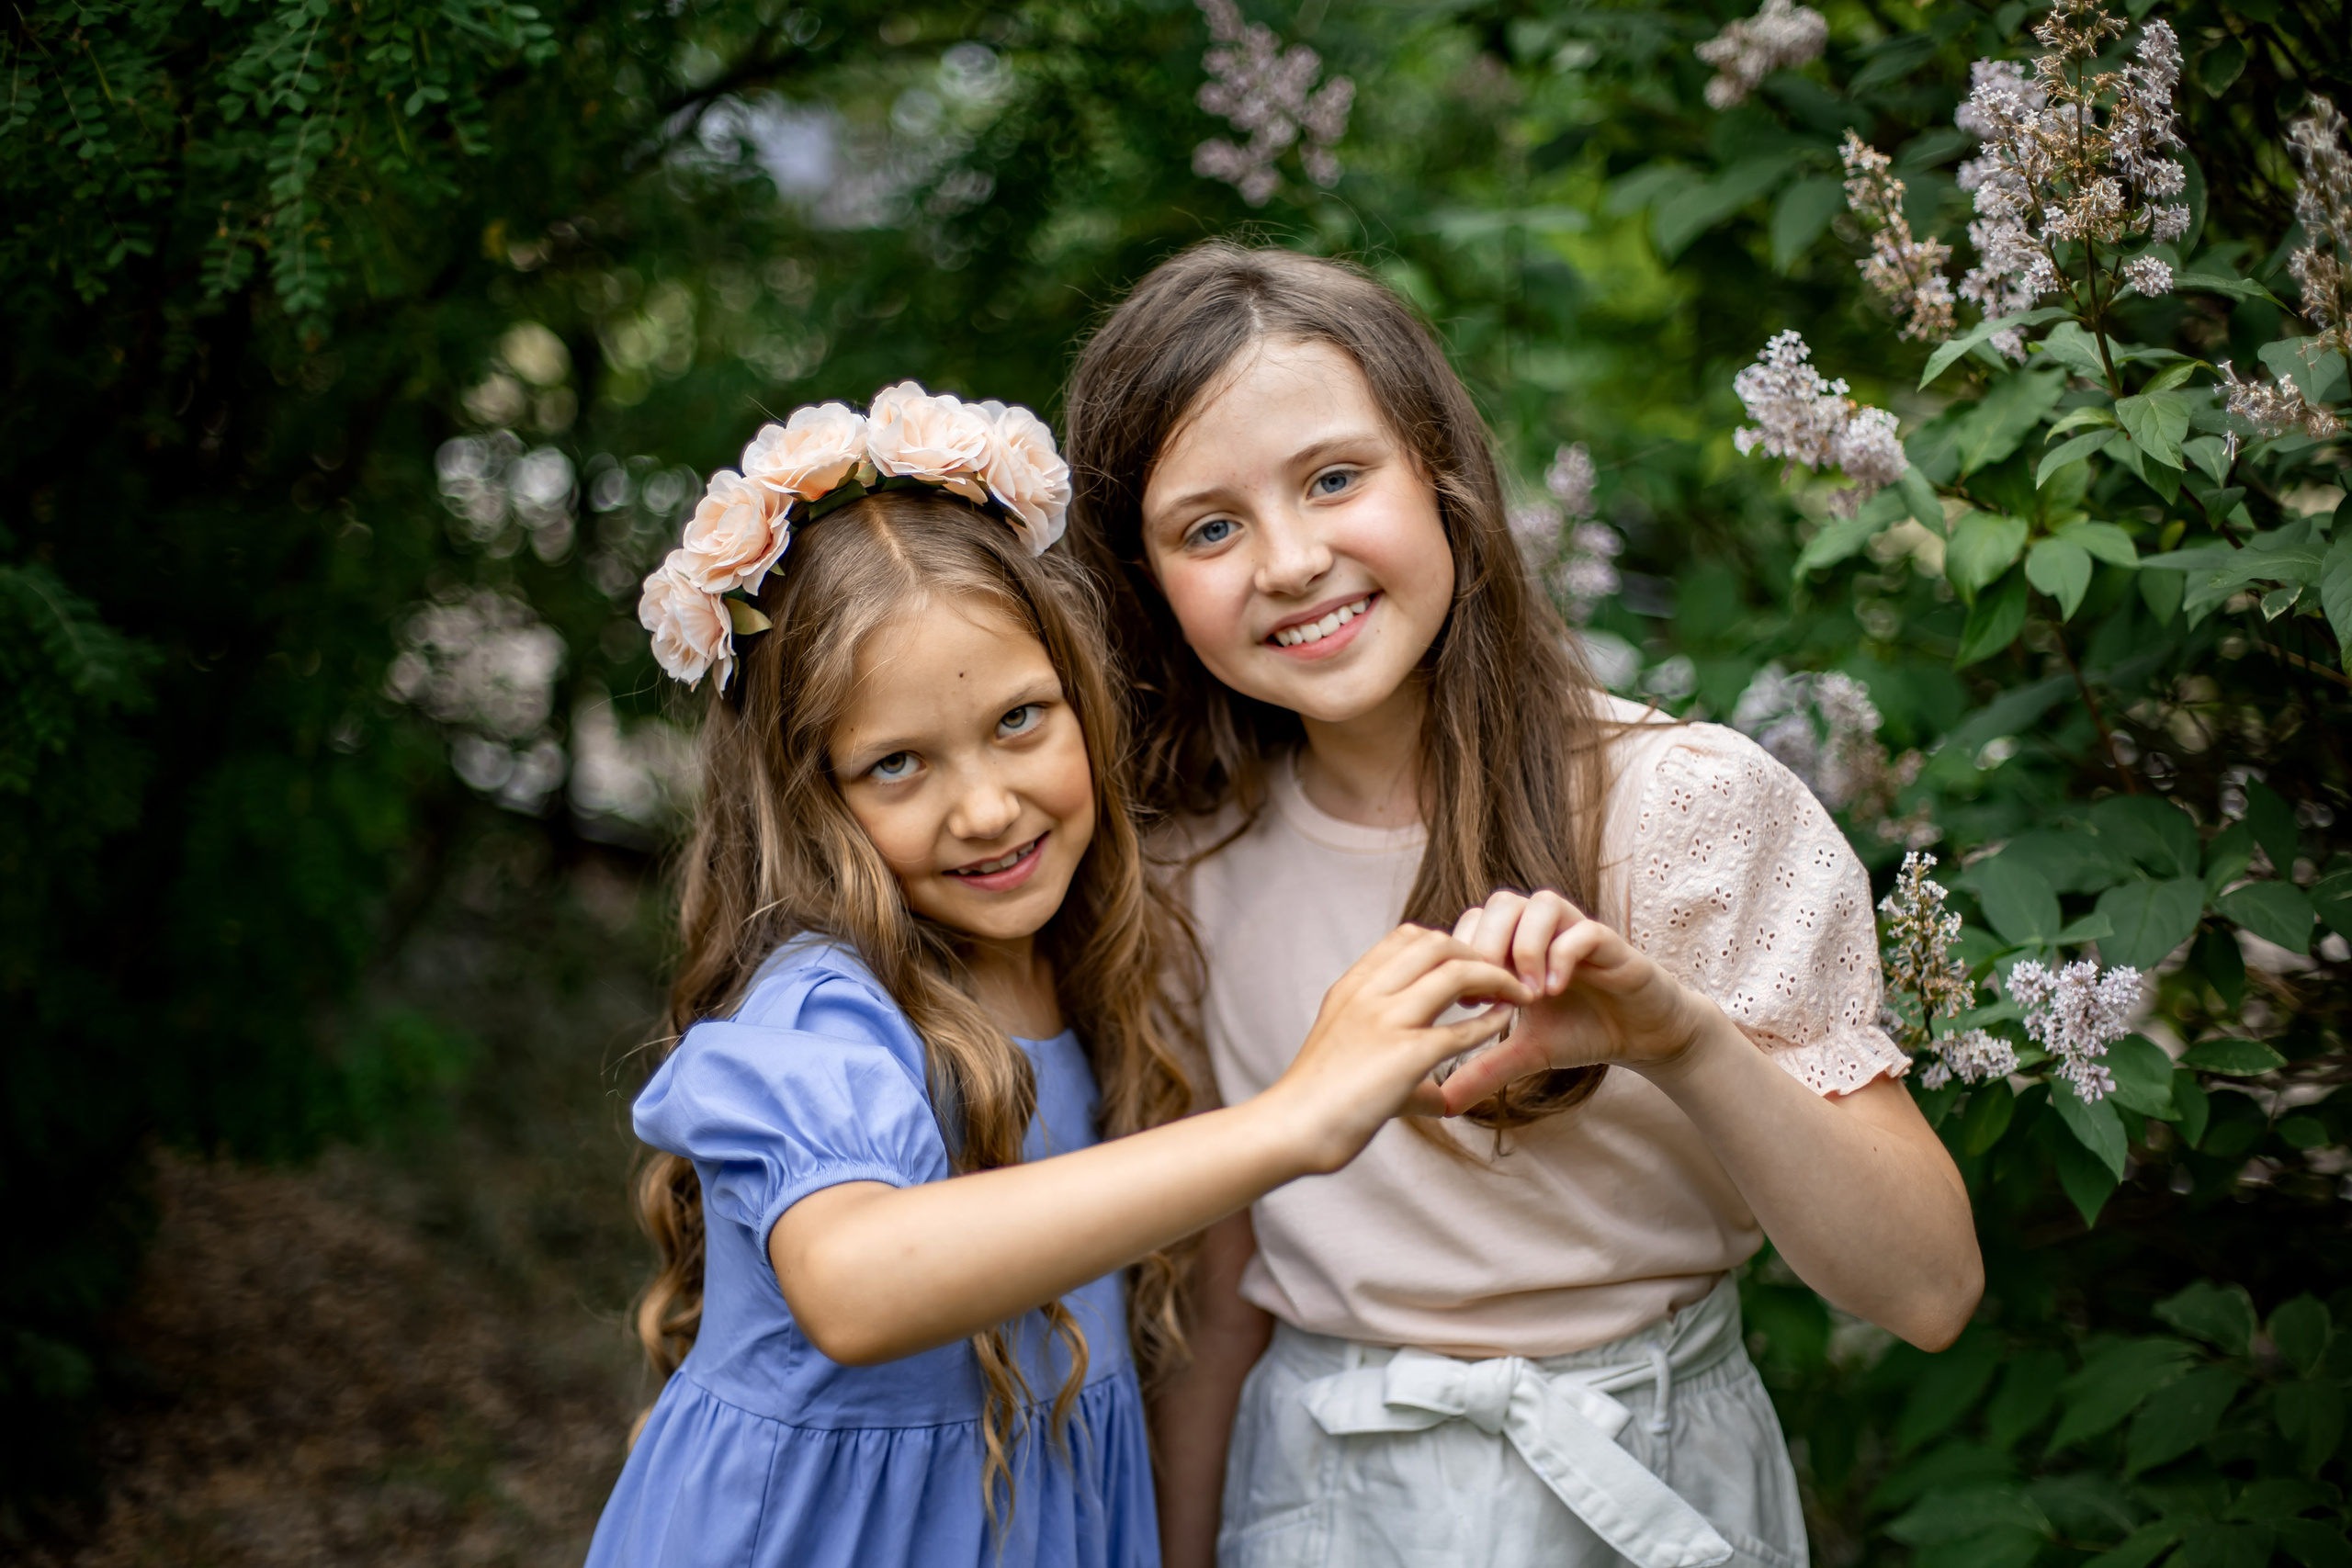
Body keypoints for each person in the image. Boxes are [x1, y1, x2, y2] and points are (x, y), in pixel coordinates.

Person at [1060, 244, 1985, 1568]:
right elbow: (1221, 1296)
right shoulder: (1181, 873)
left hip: (1648, 1477)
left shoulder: (1682, 807)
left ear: (1442, 473)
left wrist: (1681, 1040)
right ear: (1144, 579)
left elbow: (1929, 1290)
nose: (1292, 559)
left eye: (1334, 478)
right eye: (1209, 528)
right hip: (1322, 1503)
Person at [586, 381, 1537, 1568]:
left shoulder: (1101, 975)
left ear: (1087, 698)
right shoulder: (825, 1010)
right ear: (807, 797)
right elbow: (853, 1285)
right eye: (896, 765)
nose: (986, 807)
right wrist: (1290, 1122)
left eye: (1020, 721)